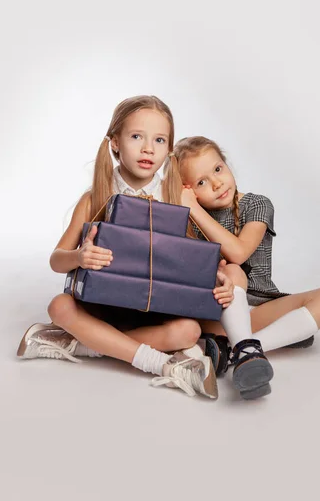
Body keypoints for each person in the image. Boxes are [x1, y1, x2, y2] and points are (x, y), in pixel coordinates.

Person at [17, 97, 235, 400]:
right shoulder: (94, 198)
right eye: (137, 137)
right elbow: (56, 260)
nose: (148, 149)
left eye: (159, 140)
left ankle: (81, 344)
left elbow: (192, 260)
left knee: (189, 331)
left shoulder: (175, 199)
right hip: (102, 307)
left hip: (152, 311)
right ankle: (162, 365)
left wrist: (217, 277)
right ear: (115, 143)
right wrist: (79, 256)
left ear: (169, 149)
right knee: (59, 306)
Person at [174, 136, 320, 399]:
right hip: (219, 310)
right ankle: (261, 342)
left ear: (226, 164)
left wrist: (193, 206)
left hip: (261, 305)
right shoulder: (189, 218)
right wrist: (191, 210)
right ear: (188, 190)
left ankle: (239, 350)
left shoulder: (256, 204)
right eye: (201, 182)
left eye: (218, 169)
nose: (217, 183)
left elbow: (239, 251)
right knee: (232, 272)